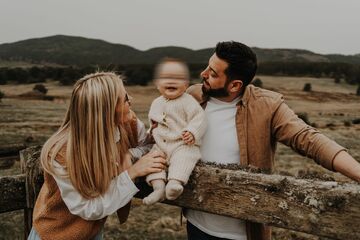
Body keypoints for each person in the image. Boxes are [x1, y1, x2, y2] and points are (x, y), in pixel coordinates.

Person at [184, 41, 360, 240]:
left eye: (213, 73)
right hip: (196, 223)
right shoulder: (193, 96)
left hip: (242, 233)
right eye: (208, 66)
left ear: (235, 85)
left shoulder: (268, 106)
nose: (203, 74)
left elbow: (310, 140)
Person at [27, 72, 167, 240]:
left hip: (92, 231)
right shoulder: (62, 153)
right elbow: (88, 208)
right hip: (56, 234)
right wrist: (131, 173)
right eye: (124, 99)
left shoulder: (129, 124)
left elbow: (149, 144)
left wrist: (130, 155)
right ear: (106, 110)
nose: (131, 99)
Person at [143, 58, 207, 205]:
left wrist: (192, 132)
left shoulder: (188, 101)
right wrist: (150, 133)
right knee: (153, 161)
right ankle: (158, 188)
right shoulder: (156, 103)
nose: (171, 81)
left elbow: (200, 118)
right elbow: (154, 123)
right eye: (166, 77)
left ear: (186, 85)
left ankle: (174, 183)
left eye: (177, 78)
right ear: (157, 84)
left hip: (181, 143)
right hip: (160, 145)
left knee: (184, 158)